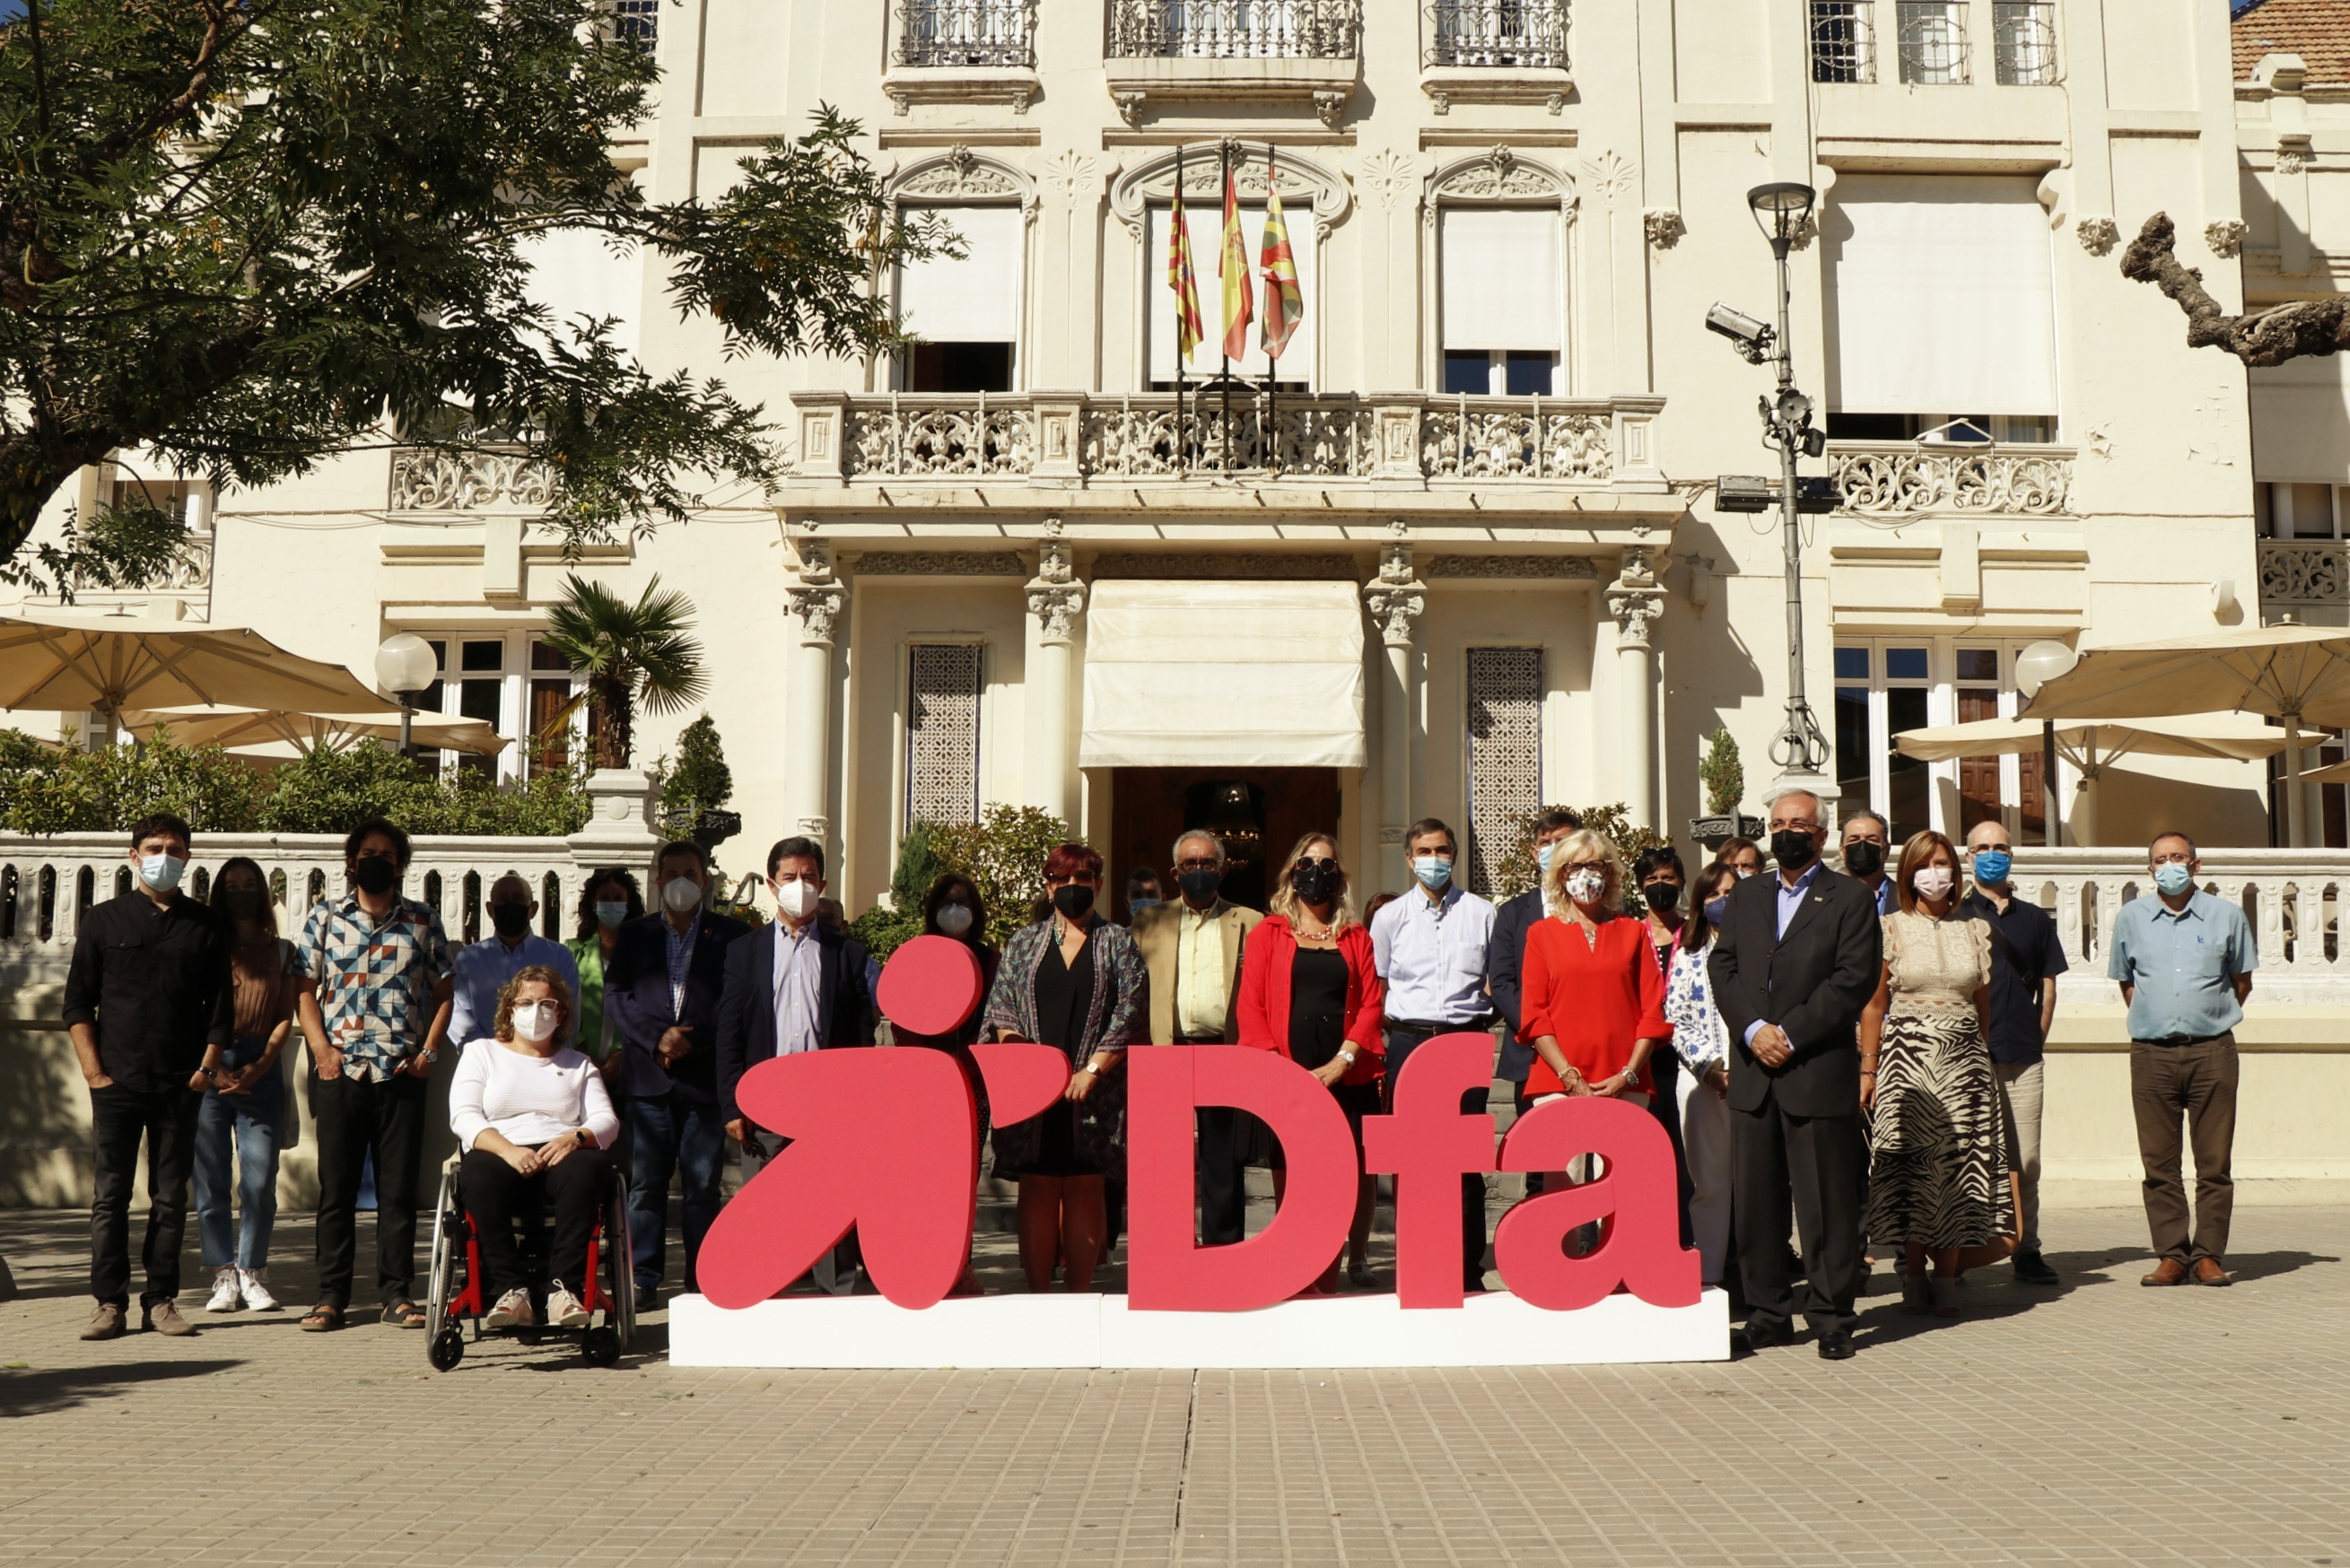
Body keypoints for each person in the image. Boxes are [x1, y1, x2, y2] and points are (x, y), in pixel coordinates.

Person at [1708, 788, 1882, 1360]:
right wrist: (1754, 1029)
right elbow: (1723, 965)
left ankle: (1832, 1315)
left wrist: (1791, 1033)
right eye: (1779, 823)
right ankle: (1767, 1313)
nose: (1787, 832)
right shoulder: (1748, 894)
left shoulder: (1849, 900)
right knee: (1756, 1202)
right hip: (1754, 1070)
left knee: (1825, 1203)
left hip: (1815, 1069)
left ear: (1822, 835)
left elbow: (1853, 979)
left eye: (1799, 824)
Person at [66, 814, 235, 1340]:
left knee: (170, 1198)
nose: (165, 856)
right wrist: (94, 1073)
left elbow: (221, 1009)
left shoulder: (205, 926)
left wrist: (206, 1069)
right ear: (134, 855)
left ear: (187, 859)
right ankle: (108, 1304)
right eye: (155, 847)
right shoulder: (102, 920)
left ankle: (160, 1300)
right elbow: (77, 1004)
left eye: (176, 849)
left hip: (179, 1084)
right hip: (115, 1083)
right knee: (109, 1197)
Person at [294, 817, 454, 1332]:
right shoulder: (324, 918)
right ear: (351, 861)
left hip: (400, 1072)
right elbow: (303, 988)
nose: (376, 861)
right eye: (368, 852)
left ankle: (396, 1294)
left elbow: (444, 992)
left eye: (387, 855)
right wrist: (321, 1049)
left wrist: (428, 1055)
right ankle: (330, 1296)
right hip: (340, 1071)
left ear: (400, 865)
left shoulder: (423, 921)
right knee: (335, 1189)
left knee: (398, 1190)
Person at [982, 843, 1147, 1293]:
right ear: (1048, 885)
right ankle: (1037, 1292)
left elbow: (1131, 1011)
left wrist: (1092, 1070)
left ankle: (1078, 1293)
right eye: (1063, 880)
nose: (1073, 887)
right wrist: (1027, 1065)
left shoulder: (1116, 941)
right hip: (1033, 1093)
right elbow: (1001, 1010)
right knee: (1036, 1186)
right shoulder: (1024, 941)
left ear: (1097, 883)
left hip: (1094, 1091)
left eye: (1083, 879)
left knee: (1084, 1187)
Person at [1861, 831, 2013, 1318]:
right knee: (1911, 1168)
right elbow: (1874, 1004)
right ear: (1908, 873)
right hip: (1906, 1061)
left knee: (1958, 1170)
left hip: (1964, 1062)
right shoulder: (1889, 928)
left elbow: (1982, 1005)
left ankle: (1946, 1278)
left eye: (1944, 863)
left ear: (1955, 870)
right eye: (1925, 864)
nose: (1935, 873)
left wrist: (1978, 1060)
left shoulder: (1976, 930)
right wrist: (1870, 1068)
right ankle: (1913, 1276)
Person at [715, 836, 874, 1293]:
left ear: (821, 884)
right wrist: (731, 1105)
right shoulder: (744, 953)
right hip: (765, 1102)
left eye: (808, 877)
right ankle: (767, 1291)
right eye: (790, 877)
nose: (799, 885)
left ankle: (837, 1294)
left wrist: (859, 1103)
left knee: (833, 1204)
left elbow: (861, 1038)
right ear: (771, 884)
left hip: (831, 1104)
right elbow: (730, 1033)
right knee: (768, 1206)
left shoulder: (848, 955)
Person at [1234, 832, 1384, 1292]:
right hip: (1287, 1078)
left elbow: (1374, 1004)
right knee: (1292, 1176)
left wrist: (1342, 1060)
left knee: (1347, 1176)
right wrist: (1279, 1069)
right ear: (1291, 873)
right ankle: (1296, 1270)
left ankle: (1333, 1273)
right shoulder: (1268, 933)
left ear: (1339, 878)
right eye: (1306, 863)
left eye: (1326, 865)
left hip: (1346, 1076)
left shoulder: (1355, 936)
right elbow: (1250, 1006)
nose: (1315, 872)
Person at [2108, 831, 2257, 1288]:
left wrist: (2202, 1015)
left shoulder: (2227, 916)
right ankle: (2172, 1255)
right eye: (2159, 859)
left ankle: (2208, 1255)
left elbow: (2241, 981)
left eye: (2178, 857)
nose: (2168, 865)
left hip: (2212, 1051)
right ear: (2149, 868)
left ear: (2196, 864)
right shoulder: (2131, 917)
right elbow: (2127, 983)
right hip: (2152, 1054)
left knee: (2214, 1163)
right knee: (2159, 1165)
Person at [607, 840, 751, 1301]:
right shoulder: (635, 935)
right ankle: (643, 1278)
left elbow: (738, 1003)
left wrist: (688, 1042)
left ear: (705, 880)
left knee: (702, 1187)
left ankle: (702, 1277)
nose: (681, 883)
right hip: (648, 1082)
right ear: (658, 881)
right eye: (672, 875)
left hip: (705, 1080)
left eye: (690, 873)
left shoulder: (733, 936)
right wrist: (657, 1039)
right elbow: (618, 997)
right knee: (646, 1184)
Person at [449, 968, 620, 1329]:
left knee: (590, 1169)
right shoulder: (482, 1053)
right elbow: (463, 1114)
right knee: (476, 1174)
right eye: (526, 1002)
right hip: (500, 1151)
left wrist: (574, 1139)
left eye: (547, 1003)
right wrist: (509, 1151)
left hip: (562, 1153)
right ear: (510, 1010)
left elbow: (607, 1120)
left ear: (561, 1013)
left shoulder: (578, 1063)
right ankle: (510, 1290)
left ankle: (563, 1291)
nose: (536, 1010)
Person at [1369, 816, 1498, 1294]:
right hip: (1408, 1042)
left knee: (1465, 1160)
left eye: (1442, 851)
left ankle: (1467, 1269)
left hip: (1465, 1039)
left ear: (1455, 855)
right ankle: (1420, 1262)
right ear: (1409, 858)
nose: (1434, 860)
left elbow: (1494, 980)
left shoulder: (1483, 913)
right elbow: (1380, 983)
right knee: (1414, 1158)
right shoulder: (1389, 918)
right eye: (1424, 851)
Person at [1517, 831, 1671, 1206]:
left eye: (1594, 865)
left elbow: (1652, 1010)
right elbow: (1535, 1017)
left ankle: (1618, 1268)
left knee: (1620, 1193)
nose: (1585, 875)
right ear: (1559, 875)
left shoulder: (1633, 932)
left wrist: (1628, 1074)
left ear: (1610, 872)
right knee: (1561, 1194)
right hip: (1558, 1080)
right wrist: (1569, 1077)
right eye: (1575, 866)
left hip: (1624, 1079)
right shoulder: (1540, 934)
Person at [1130, 830, 1263, 1247]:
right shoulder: (1149, 921)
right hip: (1166, 1051)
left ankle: (1223, 1249)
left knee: (1222, 1158)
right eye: (1190, 864)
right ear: (1175, 872)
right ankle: (1167, 1249)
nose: (1199, 871)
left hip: (1223, 1050)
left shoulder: (1251, 922)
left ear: (1222, 870)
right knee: (1166, 1156)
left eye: (1208, 863)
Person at [1961, 819, 2068, 1285]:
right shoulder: (1954, 916)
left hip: (2023, 1056)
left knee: (2026, 1161)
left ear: (2011, 854)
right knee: (1967, 1158)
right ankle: (1961, 1250)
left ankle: (2027, 1248)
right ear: (1969, 858)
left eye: (2000, 847)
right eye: (1982, 847)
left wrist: (2037, 1033)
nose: (1992, 854)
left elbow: (2048, 983)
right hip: (1968, 1057)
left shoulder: (2034, 919)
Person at [196, 858, 299, 1314]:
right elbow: (190, 1011)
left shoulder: (282, 951)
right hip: (208, 1066)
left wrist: (259, 1066)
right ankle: (222, 1276)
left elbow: (284, 1014)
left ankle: (252, 1272)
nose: (241, 893)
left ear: (262, 892)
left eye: (249, 885)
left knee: (259, 1179)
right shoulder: (203, 946)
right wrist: (215, 1068)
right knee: (210, 1178)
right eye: (232, 885)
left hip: (262, 1069)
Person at [1489, 810, 1583, 1200]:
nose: (1553, 850)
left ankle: (1587, 1242)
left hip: (1587, 1049)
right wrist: (1541, 1030)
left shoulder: (1597, 910)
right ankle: (1541, 1245)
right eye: (1545, 843)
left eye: (1562, 840)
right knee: (1541, 1159)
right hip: (1531, 1053)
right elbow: (1503, 983)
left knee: (1587, 1155)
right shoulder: (1513, 913)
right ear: (1534, 852)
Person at [1664, 861, 1740, 1289]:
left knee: (1757, 1186)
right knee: (1709, 1184)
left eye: (1731, 892)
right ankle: (1709, 1277)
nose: (1722, 902)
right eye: (1713, 895)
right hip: (1704, 1081)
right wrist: (1712, 1069)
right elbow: (1674, 1018)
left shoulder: (1765, 949)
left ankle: (1756, 1280)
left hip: (1758, 1079)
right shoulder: (1689, 955)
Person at [448, 874, 580, 1065]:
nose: (510, 905)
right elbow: (459, 1016)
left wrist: (547, 1056)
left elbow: (569, 1014)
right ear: (490, 909)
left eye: (518, 899)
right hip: (486, 1065)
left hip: (545, 1063)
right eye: (503, 899)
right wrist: (488, 1055)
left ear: (532, 908)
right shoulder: (468, 959)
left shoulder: (559, 957)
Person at [566, 867, 643, 1082]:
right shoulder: (572, 952)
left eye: (618, 898)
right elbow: (562, 1006)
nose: (611, 903)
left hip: (631, 1067)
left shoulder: (645, 954)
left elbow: (649, 1007)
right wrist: (582, 1053)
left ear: (629, 903)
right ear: (593, 903)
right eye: (605, 898)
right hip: (579, 1065)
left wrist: (623, 1054)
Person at [1840, 810, 1895, 916]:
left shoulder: (1909, 898)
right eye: (1854, 839)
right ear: (1842, 850)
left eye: (1872, 839)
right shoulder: (1824, 897)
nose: (1862, 845)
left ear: (1887, 850)